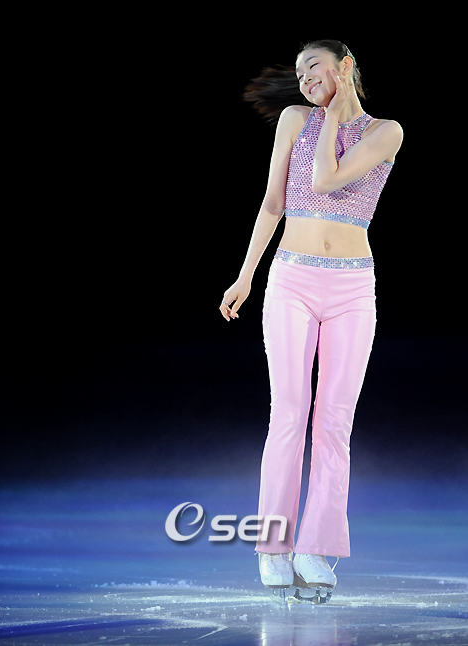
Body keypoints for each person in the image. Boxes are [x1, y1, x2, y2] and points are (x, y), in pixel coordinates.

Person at [219, 39, 403, 594]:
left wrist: (337, 114)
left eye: (313, 67)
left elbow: (327, 178)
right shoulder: (294, 120)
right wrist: (246, 275)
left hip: (353, 289)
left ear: (345, 66)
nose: (303, 79)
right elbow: (273, 202)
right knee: (289, 414)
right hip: (291, 281)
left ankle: (315, 548)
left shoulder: (385, 132)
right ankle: (273, 546)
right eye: (298, 73)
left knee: (334, 423)